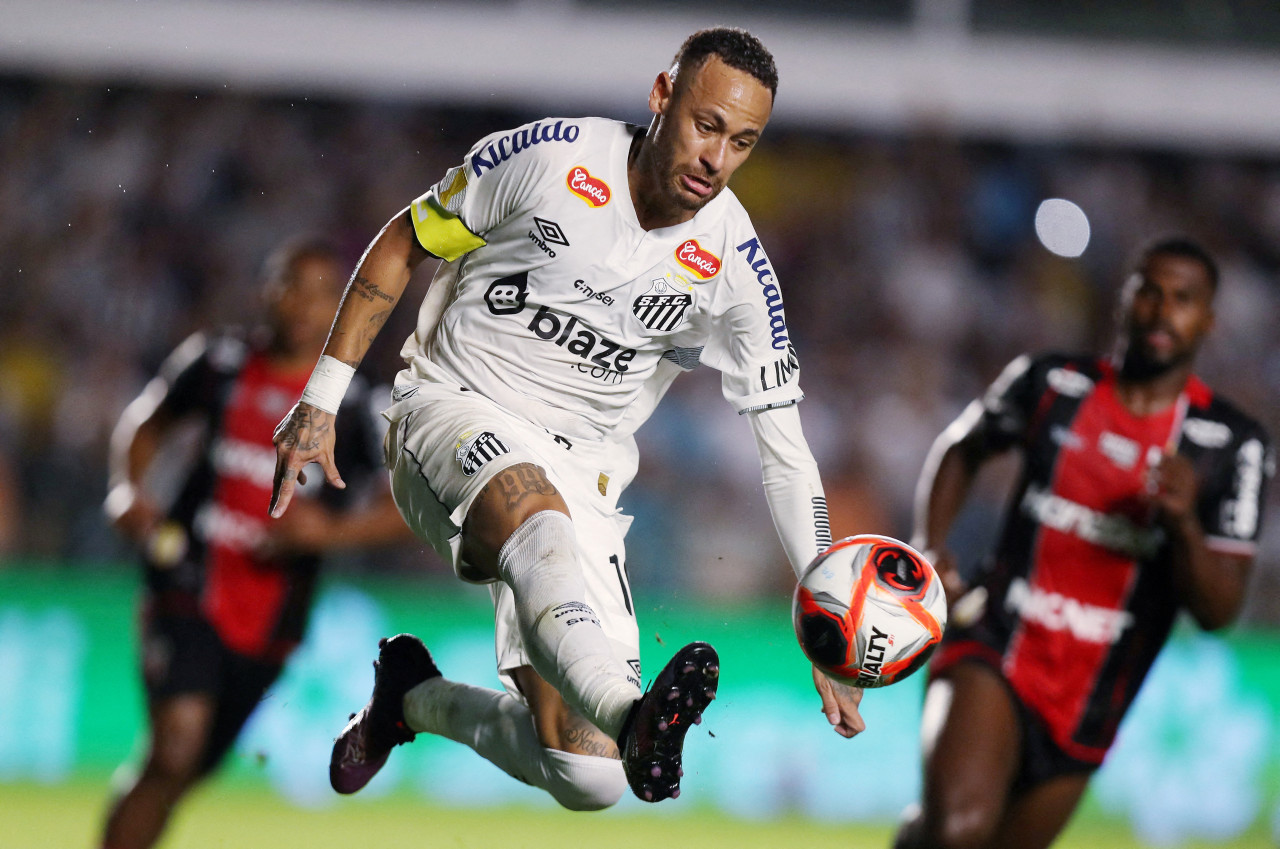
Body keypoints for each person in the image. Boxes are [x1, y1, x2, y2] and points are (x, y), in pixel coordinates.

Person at [270, 27, 866, 809]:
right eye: (706, 125)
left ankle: (409, 699)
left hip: (584, 466)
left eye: (743, 142)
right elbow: (402, 243)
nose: (716, 158)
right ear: (662, 97)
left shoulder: (735, 267)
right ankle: (634, 718)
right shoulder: (550, 161)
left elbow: (785, 451)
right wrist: (320, 396)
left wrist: (828, 625)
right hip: (450, 403)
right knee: (536, 520)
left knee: (588, 775)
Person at [895, 237, 1274, 849]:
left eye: (1182, 299)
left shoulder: (1232, 445)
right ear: (1124, 300)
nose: (1160, 310)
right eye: (1148, 291)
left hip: (1093, 694)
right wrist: (930, 547)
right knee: (960, 832)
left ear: (1208, 320)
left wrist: (1182, 524)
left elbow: (1218, 612)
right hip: (996, 639)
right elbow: (963, 449)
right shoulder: (1051, 383)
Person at [100, 236, 412, 849]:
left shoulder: (358, 404)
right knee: (176, 749)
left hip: (274, 613)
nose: (301, 304)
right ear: (267, 291)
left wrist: (331, 531)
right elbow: (147, 423)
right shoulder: (218, 359)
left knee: (184, 770)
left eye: (322, 293)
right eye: (290, 285)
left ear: (342, 307)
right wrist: (127, 492)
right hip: (186, 574)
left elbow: (405, 502)